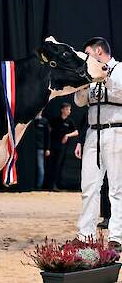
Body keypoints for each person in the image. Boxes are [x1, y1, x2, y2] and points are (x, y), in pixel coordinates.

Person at [74, 37, 122, 252]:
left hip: (115, 130)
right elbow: (79, 102)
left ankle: (117, 236)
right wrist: (83, 84)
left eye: (88, 54)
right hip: (93, 133)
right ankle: (85, 235)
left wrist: (106, 78)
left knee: (116, 188)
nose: (86, 58)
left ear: (99, 51)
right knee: (89, 186)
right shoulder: (90, 75)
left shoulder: (119, 69)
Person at [74, 112, 111, 230]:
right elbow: (85, 124)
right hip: (95, 141)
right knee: (102, 184)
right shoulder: (92, 105)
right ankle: (106, 217)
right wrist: (80, 142)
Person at [48, 102, 78, 191]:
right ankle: (48, 185)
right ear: (62, 110)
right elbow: (49, 131)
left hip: (62, 147)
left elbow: (76, 132)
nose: (69, 111)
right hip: (52, 146)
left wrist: (67, 135)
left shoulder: (69, 121)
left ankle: (55, 185)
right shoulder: (55, 120)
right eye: (67, 109)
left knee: (58, 165)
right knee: (50, 165)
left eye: (70, 109)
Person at [34, 112, 50, 190]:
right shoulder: (31, 120)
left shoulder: (44, 121)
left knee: (40, 167)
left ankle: (39, 186)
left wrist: (47, 148)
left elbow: (47, 136)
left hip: (40, 148)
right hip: (30, 149)